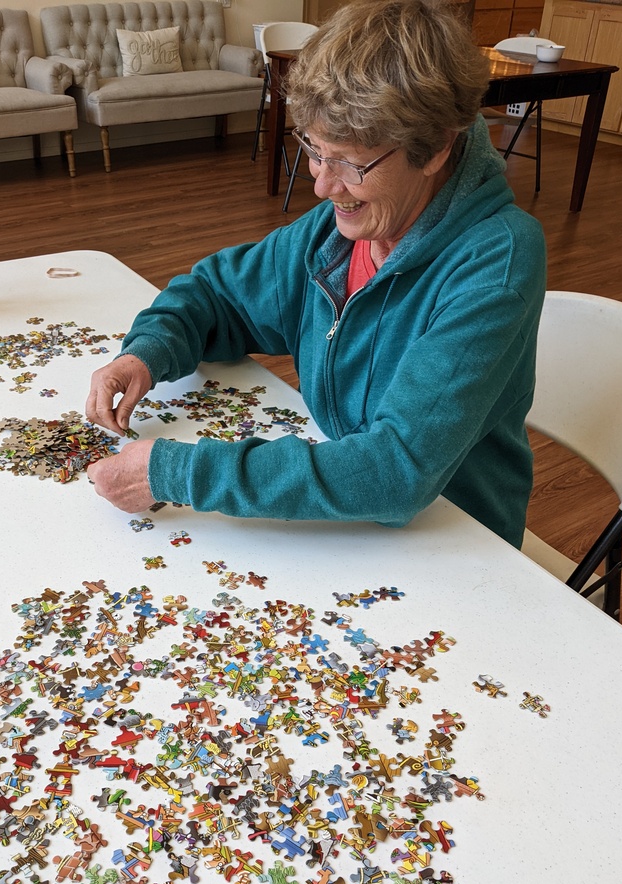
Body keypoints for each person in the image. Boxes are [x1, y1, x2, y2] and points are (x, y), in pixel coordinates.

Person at [85, 0, 546, 548]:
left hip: (455, 539)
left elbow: (395, 470)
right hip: (345, 521)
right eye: (314, 151)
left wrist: (180, 473)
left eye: (350, 163)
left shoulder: (496, 261)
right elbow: (217, 294)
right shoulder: (335, 232)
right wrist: (147, 351)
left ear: (438, 146)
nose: (323, 187)